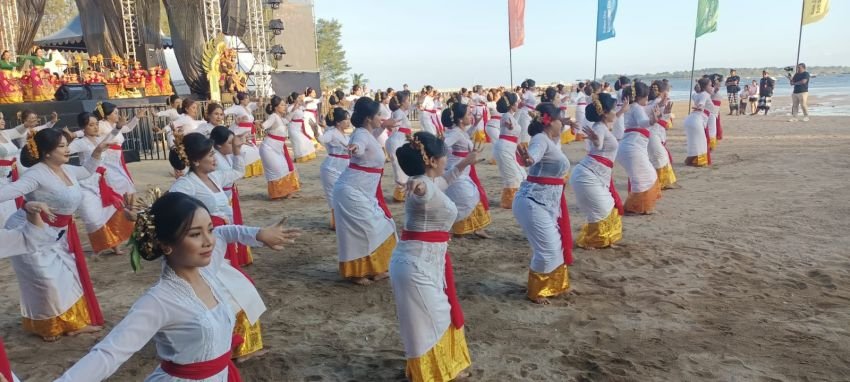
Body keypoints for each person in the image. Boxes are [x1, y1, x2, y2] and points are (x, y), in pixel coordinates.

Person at [54, 192, 300, 381]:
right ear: (166, 244)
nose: (208, 242)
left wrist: (257, 234)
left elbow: (224, 234)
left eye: (208, 230)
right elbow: (108, 354)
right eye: (195, 234)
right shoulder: (160, 301)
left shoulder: (208, 269)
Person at [0, 128, 116, 341]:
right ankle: (49, 325)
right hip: (30, 231)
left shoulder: (68, 169)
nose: (67, 149)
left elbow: (88, 171)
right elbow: (6, 193)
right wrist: (31, 205)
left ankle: (71, 323)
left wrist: (98, 151)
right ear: (47, 153)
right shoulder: (36, 174)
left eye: (66, 145)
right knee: (47, 280)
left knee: (66, 277)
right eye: (62, 146)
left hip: (58, 233)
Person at [389, 132, 474, 382]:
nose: (447, 160)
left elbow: (443, 182)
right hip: (415, 266)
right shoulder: (422, 186)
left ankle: (440, 369)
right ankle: (431, 373)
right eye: (444, 157)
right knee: (432, 319)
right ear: (433, 161)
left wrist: (466, 162)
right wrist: (418, 186)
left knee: (436, 317)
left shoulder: (431, 181)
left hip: (423, 262)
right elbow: (423, 191)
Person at [332, 97, 397, 285]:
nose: (381, 118)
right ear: (369, 118)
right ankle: (357, 273)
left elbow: (373, 135)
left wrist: (385, 125)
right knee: (363, 231)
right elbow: (359, 145)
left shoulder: (368, 132)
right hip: (351, 191)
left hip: (361, 191)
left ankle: (375, 269)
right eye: (378, 115)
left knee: (383, 226)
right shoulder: (360, 135)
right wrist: (354, 148)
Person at [514, 103, 574, 304]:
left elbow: (554, 140)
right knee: (547, 249)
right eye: (559, 119)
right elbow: (534, 156)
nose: (562, 123)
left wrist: (562, 123)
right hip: (533, 201)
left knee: (555, 245)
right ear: (549, 122)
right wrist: (528, 159)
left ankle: (553, 285)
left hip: (545, 202)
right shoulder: (540, 140)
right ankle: (537, 291)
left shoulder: (550, 139)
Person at [68, 112, 135, 255]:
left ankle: (115, 244)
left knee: (111, 210)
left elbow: (111, 137)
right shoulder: (80, 142)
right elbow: (65, 152)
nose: (95, 127)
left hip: (101, 182)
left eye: (96, 124)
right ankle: (100, 243)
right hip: (85, 183)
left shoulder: (100, 139)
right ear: (83, 127)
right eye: (91, 125)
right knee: (92, 217)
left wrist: (118, 127)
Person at [569, 93, 624, 249]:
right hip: (587, 175)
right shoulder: (599, 128)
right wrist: (595, 140)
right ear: (605, 113)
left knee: (608, 205)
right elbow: (599, 144)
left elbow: (612, 124)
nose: (616, 112)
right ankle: (591, 241)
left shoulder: (605, 126)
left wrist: (623, 110)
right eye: (614, 109)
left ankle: (602, 239)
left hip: (594, 174)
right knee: (603, 209)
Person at [442, 101, 491, 238]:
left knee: (468, 198)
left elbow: (464, 136)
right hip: (457, 171)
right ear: (459, 119)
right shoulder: (455, 133)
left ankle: (467, 227)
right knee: (467, 198)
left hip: (463, 170)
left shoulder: (459, 131)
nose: (471, 116)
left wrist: (475, 125)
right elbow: (443, 145)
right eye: (468, 114)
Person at [210, 126, 253, 269]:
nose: (232, 145)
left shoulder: (225, 154)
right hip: (221, 197)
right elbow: (238, 172)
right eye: (230, 143)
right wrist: (237, 150)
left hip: (229, 193)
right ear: (218, 145)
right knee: (228, 225)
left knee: (233, 224)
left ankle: (237, 255)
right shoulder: (214, 158)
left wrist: (236, 148)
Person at [617, 81, 661, 215]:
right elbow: (643, 122)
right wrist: (652, 121)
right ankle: (637, 208)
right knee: (645, 178)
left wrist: (656, 114)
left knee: (643, 177)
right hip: (632, 148)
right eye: (646, 97)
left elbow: (646, 112)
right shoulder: (636, 108)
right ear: (637, 97)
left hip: (629, 148)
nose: (648, 99)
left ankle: (639, 207)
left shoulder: (633, 107)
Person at [93, 102, 142, 198]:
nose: (118, 115)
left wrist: (137, 117)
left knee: (122, 179)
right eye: (115, 113)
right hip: (107, 156)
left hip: (117, 157)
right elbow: (87, 132)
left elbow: (128, 128)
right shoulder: (102, 125)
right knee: (114, 179)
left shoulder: (115, 125)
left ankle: (123, 201)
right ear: (107, 115)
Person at [260, 95, 301, 200]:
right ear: (276, 107)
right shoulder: (273, 116)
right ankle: (276, 194)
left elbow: (287, 120)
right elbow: (265, 125)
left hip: (277, 149)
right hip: (269, 149)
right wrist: (260, 125)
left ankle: (285, 192)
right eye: (282, 105)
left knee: (284, 169)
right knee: (276, 171)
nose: (285, 106)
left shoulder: (280, 118)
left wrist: (294, 109)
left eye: (284, 104)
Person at [318, 107, 351, 229]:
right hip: (331, 167)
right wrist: (316, 132)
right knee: (333, 195)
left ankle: (344, 220)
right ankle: (336, 223)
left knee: (346, 193)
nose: (348, 122)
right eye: (346, 120)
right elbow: (322, 139)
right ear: (338, 122)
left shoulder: (345, 135)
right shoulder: (331, 133)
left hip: (345, 166)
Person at [493, 91, 526, 209]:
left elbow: (514, 125)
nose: (518, 104)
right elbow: (508, 122)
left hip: (509, 148)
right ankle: (510, 201)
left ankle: (514, 199)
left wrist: (522, 152)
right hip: (504, 149)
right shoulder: (506, 117)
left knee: (521, 174)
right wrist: (509, 125)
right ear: (512, 105)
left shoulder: (510, 116)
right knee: (513, 176)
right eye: (516, 103)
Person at [224, 92, 263, 177]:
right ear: (241, 100)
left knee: (255, 150)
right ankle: (242, 171)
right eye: (246, 98)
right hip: (239, 132)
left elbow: (259, 104)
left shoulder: (249, 107)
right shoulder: (237, 108)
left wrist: (259, 98)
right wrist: (236, 121)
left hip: (247, 133)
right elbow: (225, 112)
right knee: (246, 151)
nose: (248, 99)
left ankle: (251, 171)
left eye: (248, 98)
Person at [386, 92, 413, 202]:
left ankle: (402, 193)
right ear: (402, 103)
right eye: (407, 100)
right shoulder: (398, 113)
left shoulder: (401, 112)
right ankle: (400, 194)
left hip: (401, 141)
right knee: (399, 167)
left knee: (402, 166)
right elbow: (393, 127)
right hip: (396, 142)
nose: (409, 102)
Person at [684, 78, 713, 167]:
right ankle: (699, 162)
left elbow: (694, 94)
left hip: (690, 120)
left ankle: (689, 161)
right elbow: (702, 103)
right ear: (705, 86)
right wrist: (700, 107)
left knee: (694, 142)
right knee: (701, 142)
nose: (711, 87)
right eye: (710, 85)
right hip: (696, 120)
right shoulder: (705, 95)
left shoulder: (697, 94)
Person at [286, 92, 319, 163]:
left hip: (299, 127)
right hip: (293, 127)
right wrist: (293, 109)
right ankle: (299, 157)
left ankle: (307, 155)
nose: (299, 99)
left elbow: (304, 107)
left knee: (306, 141)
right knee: (299, 142)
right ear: (294, 99)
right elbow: (288, 118)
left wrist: (303, 102)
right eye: (298, 98)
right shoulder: (290, 107)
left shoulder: (300, 106)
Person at [517, 79, 538, 145]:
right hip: (525, 113)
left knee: (526, 131)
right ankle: (523, 146)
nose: (535, 87)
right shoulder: (528, 93)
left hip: (529, 113)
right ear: (531, 86)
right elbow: (522, 98)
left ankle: (525, 145)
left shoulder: (530, 93)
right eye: (534, 86)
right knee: (525, 131)